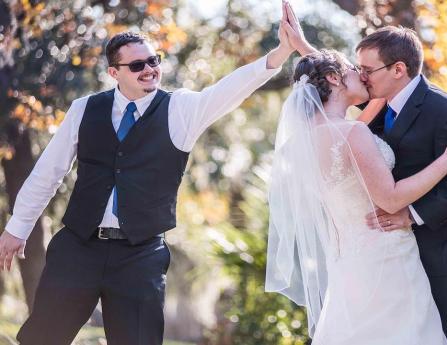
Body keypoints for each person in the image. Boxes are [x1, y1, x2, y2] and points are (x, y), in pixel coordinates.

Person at [0, 18, 294, 344]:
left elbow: (229, 89)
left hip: (139, 256)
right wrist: (17, 228)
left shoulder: (181, 109)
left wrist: (279, 53)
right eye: (138, 64)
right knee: (41, 338)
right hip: (78, 247)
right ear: (114, 73)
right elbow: (49, 172)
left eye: (154, 60)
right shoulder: (85, 109)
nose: (150, 69)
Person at [276, 2, 447, 344]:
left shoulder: (446, 111)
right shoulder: (365, 115)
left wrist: (412, 215)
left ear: (398, 69)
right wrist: (306, 53)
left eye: (367, 70)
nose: (362, 75)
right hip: (387, 255)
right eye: (356, 69)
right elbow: (335, 90)